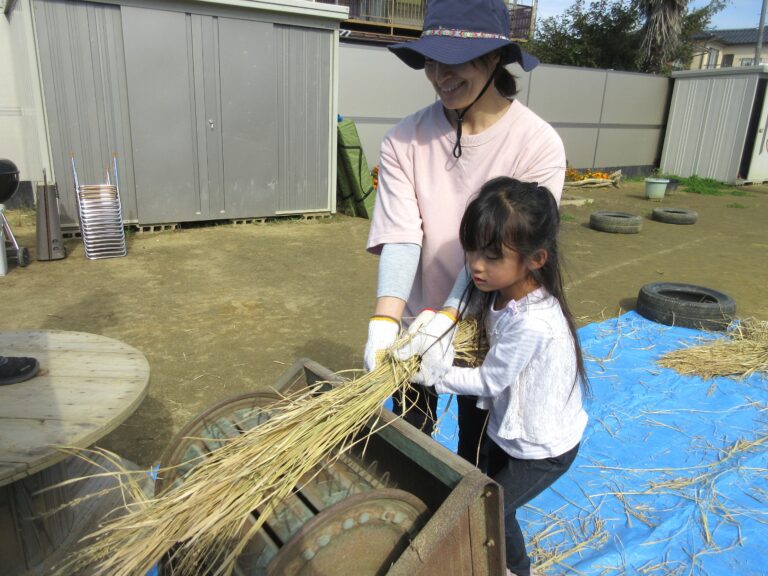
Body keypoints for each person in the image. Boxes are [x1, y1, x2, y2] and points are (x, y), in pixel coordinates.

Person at [364, 0, 566, 462]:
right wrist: (385, 321)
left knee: (475, 452)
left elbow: (505, 248)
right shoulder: (403, 138)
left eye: (452, 61)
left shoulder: (537, 145)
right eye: (430, 60)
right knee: (410, 439)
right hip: (418, 323)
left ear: (495, 57)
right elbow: (402, 233)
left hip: (490, 327)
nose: (439, 75)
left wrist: (453, 314)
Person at [413, 176, 589, 576]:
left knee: (496, 508)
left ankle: (515, 570)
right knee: (483, 498)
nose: (475, 264)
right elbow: (465, 296)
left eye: (491, 256)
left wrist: (436, 375)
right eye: (471, 248)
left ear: (536, 259)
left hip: (543, 448)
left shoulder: (533, 322)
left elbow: (489, 382)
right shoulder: (497, 289)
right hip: (508, 429)